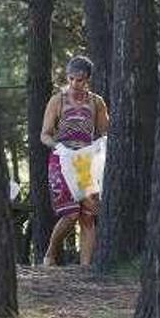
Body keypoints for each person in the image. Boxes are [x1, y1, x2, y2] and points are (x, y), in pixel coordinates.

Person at [40, 55, 109, 266]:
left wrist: (97, 151)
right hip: (61, 160)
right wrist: (58, 146)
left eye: (79, 79)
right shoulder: (57, 100)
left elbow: (104, 133)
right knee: (70, 214)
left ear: (87, 79)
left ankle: (85, 269)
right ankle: (51, 253)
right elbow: (45, 134)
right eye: (71, 78)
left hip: (85, 163)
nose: (74, 84)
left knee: (88, 216)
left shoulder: (96, 102)